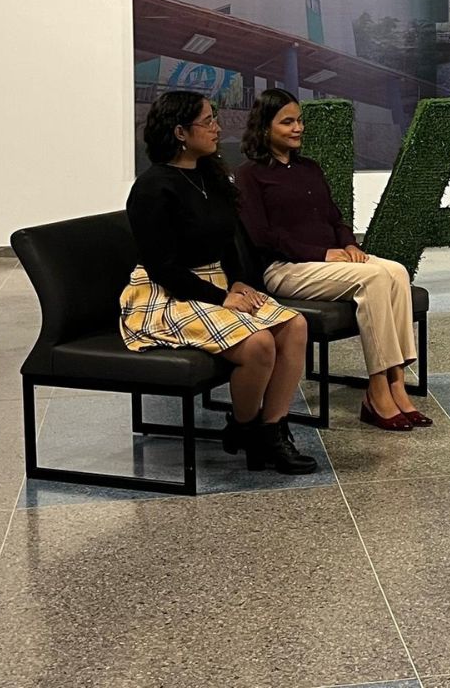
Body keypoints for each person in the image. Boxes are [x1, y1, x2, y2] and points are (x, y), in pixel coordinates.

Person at [121, 90, 316, 474]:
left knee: (294, 325)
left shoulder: (212, 175)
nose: (217, 127)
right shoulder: (151, 188)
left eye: (215, 118)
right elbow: (164, 268)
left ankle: (272, 428)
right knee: (259, 343)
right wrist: (221, 297)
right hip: (165, 293)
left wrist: (239, 283)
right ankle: (246, 429)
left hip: (213, 284)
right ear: (180, 132)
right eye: (207, 121)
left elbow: (230, 240)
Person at [236, 89, 429, 431]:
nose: (298, 128)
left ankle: (396, 382)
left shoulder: (310, 168)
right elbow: (262, 236)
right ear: (265, 128)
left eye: (299, 120)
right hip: (285, 269)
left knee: (396, 271)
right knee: (373, 278)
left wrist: (348, 244)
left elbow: (333, 217)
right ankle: (377, 389)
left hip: (330, 264)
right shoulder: (250, 175)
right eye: (288, 122)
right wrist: (322, 254)